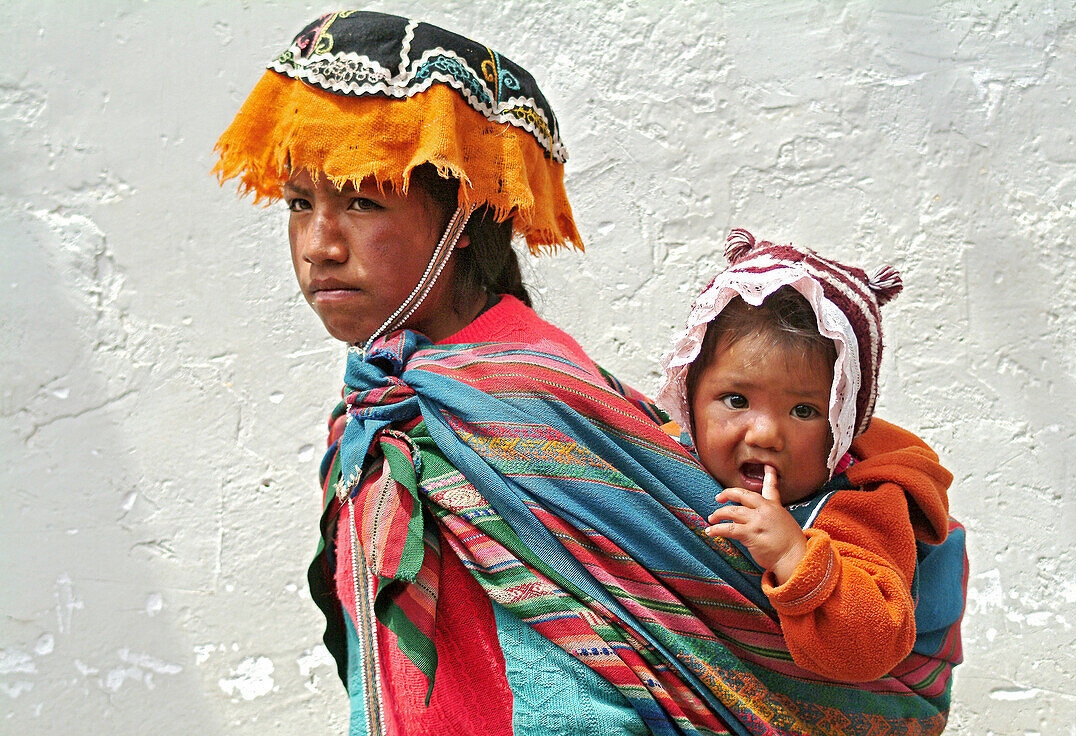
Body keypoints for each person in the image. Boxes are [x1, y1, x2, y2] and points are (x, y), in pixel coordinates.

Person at [215, 11, 966, 735]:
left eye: (363, 200)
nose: (319, 244)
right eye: (298, 203)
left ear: (465, 217)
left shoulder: (529, 397)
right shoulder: (378, 401)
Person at [655, 228, 969, 685]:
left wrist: (793, 553)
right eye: (736, 400)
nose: (764, 434)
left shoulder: (861, 506)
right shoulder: (656, 456)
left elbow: (874, 645)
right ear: (690, 395)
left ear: (841, 428)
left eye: (803, 411)